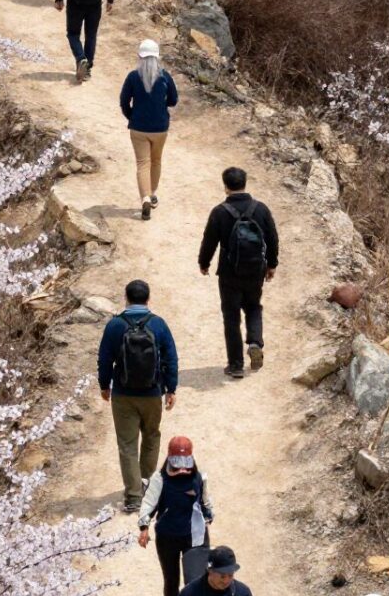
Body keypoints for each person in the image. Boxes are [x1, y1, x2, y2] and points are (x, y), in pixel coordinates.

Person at [97, 278, 179, 513]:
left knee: (127, 444)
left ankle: (133, 496)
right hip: (152, 393)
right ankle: (146, 484)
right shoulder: (159, 324)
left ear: (126, 298)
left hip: (123, 395)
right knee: (152, 436)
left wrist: (105, 385)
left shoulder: (115, 326)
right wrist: (171, 388)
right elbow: (171, 358)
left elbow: (104, 359)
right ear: (148, 298)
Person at [198, 166, 279, 381]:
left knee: (231, 316)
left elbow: (209, 241)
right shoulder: (260, 209)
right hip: (255, 269)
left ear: (225, 186)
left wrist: (203, 263)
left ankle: (235, 365)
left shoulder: (219, 212)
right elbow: (272, 238)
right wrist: (272, 265)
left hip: (229, 272)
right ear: (245, 183)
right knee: (253, 307)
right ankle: (254, 343)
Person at [137, 435, 213, 596]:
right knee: (171, 581)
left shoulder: (199, 477)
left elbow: (205, 500)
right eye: (177, 462)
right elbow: (148, 504)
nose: (181, 468)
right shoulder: (159, 478)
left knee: (196, 581)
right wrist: (144, 528)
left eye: (184, 462)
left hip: (195, 536)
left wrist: (208, 515)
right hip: (167, 537)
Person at [120, 39, 178, 220]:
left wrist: (132, 116)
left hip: (139, 128)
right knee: (156, 161)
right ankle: (152, 194)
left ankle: (144, 197)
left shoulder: (132, 76)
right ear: (157, 57)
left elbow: (123, 101)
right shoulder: (165, 76)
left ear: (139, 56)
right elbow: (173, 100)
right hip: (160, 127)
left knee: (142, 163)